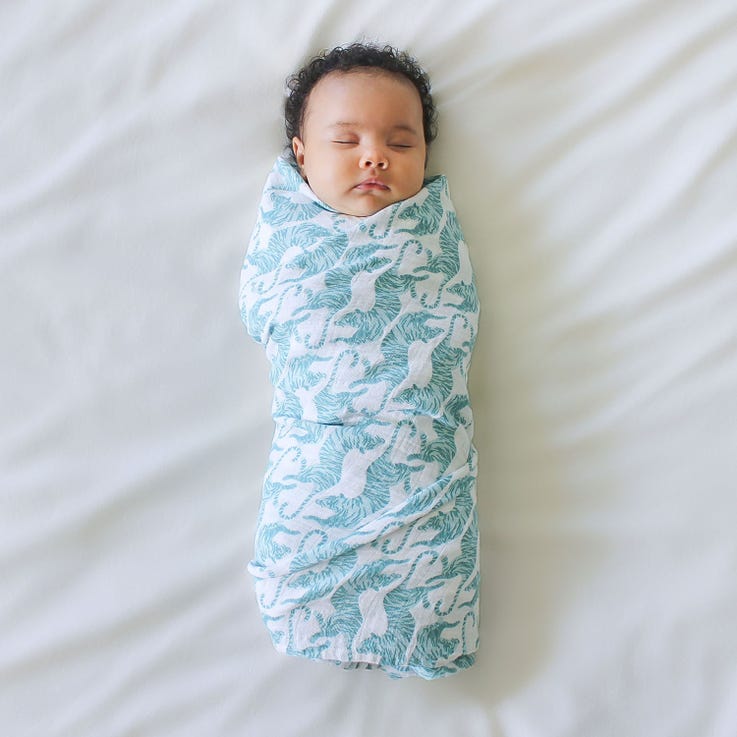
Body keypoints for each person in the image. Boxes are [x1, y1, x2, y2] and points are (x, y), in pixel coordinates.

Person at [239, 42, 480, 679]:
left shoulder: (428, 237)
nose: (375, 155)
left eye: (400, 142)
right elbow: (267, 309)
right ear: (301, 155)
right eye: (346, 140)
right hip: (317, 457)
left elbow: (450, 322)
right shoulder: (291, 238)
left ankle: (425, 628)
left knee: (430, 568)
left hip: (421, 458)